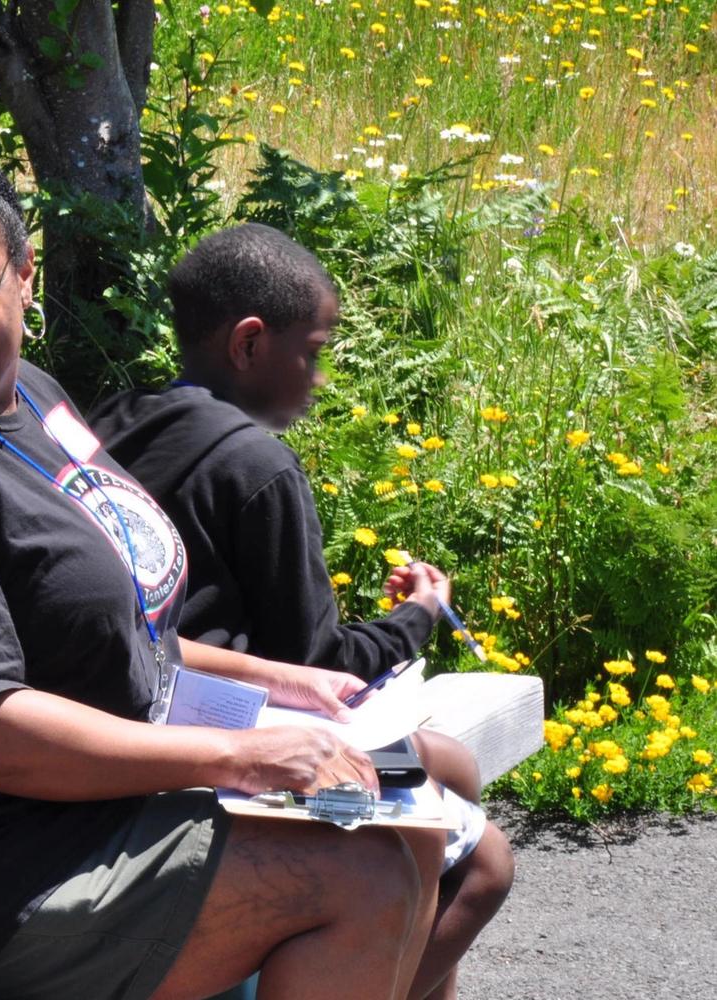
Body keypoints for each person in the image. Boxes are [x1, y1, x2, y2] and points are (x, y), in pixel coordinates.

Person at [0, 142, 444, 1000]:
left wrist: (287, 682)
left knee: (416, 811)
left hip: (59, 809)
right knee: (361, 878)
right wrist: (237, 756)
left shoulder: (33, 399)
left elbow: (109, 621)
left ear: (24, 275)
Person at [91, 221, 515, 999]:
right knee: (486, 862)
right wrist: (421, 614)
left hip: (147, 698)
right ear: (250, 345)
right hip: (226, 729)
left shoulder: (114, 418)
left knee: (451, 764)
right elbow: (317, 663)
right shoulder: (256, 463)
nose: (320, 377)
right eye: (313, 351)